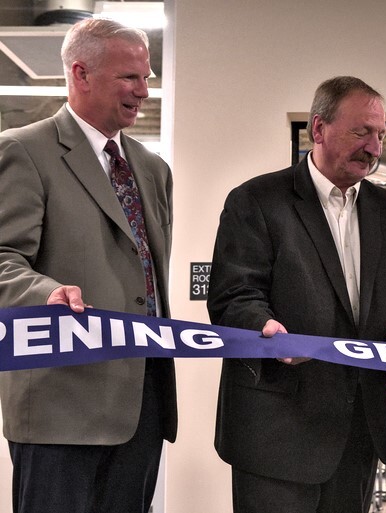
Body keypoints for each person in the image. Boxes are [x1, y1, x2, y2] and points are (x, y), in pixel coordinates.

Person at [207, 76, 386, 513]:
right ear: (318, 129)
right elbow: (234, 295)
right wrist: (264, 330)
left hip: (359, 429)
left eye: (381, 135)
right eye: (361, 132)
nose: (374, 147)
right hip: (276, 432)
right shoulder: (256, 200)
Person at [0, 17, 176, 513]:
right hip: (61, 405)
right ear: (80, 74)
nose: (143, 90)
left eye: (147, 77)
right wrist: (44, 294)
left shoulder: (152, 168)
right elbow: (3, 257)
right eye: (130, 77)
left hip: (142, 403)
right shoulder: (24, 150)